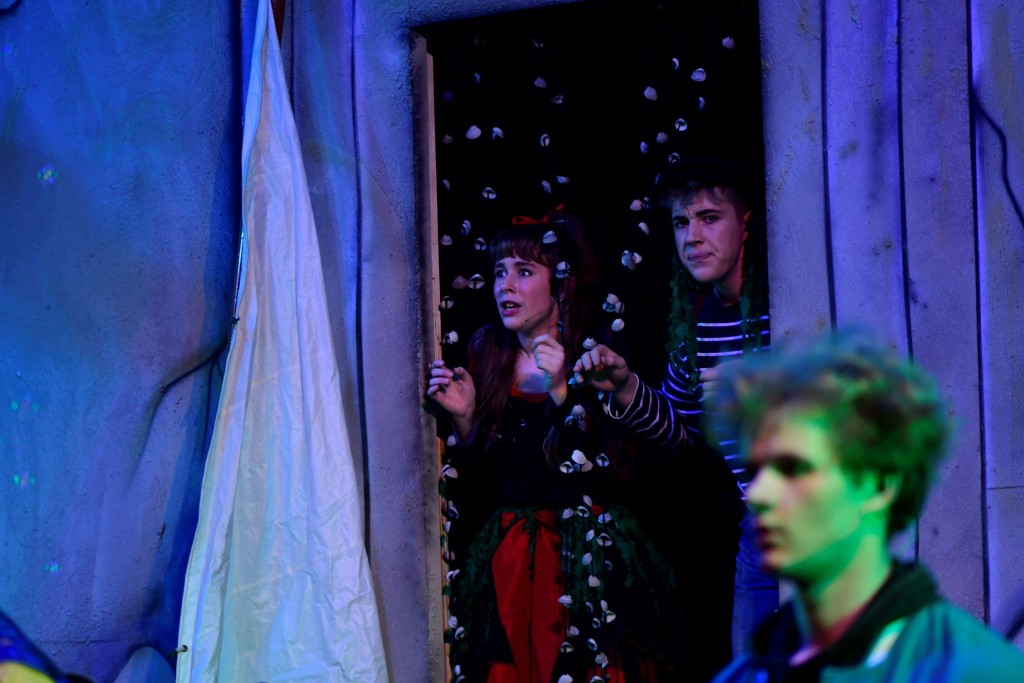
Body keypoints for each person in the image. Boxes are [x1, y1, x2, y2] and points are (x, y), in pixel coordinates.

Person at [427, 211, 692, 682]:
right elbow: (484, 483)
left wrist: (562, 394)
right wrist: (466, 420)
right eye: (499, 272)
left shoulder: (593, 353)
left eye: (524, 271)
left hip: (582, 554)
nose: (506, 286)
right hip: (511, 558)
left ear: (561, 286)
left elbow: (619, 469)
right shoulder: (488, 351)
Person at [708, 331, 1024, 682]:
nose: (759, 494)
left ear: (879, 485)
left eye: (794, 468)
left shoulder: (976, 671)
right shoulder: (744, 674)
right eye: (755, 471)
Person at [573, 156, 777, 658]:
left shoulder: (785, 304)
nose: (692, 237)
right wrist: (625, 388)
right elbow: (681, 431)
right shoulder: (697, 324)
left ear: (746, 223)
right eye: (682, 222)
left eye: (709, 218)